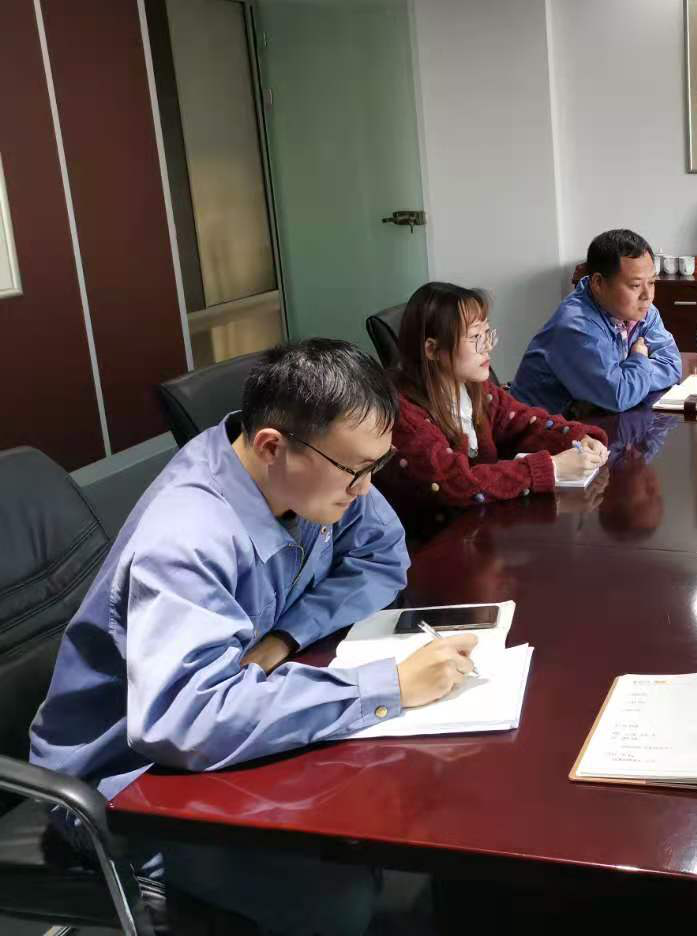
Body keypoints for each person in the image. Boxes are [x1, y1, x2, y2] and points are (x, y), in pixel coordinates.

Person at [29, 339, 480, 936]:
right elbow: (184, 718)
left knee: (411, 808)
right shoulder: (187, 535)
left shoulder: (318, 472)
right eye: (357, 471)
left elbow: (384, 556)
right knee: (337, 895)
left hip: (220, 725)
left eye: (378, 465)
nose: (367, 488)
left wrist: (286, 637)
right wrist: (386, 687)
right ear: (271, 445)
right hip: (126, 787)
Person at [377, 282, 608, 531]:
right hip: (435, 543)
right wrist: (552, 467)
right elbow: (454, 483)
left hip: (480, 528)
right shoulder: (403, 413)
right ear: (432, 349)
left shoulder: (474, 387)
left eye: (487, 333)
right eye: (475, 338)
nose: (487, 346)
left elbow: (523, 421)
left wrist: (576, 438)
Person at [511, 229, 683, 414]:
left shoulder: (643, 311)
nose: (647, 295)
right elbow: (619, 395)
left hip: (590, 420)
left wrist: (627, 378)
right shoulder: (576, 327)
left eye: (652, 282)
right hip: (537, 427)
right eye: (635, 285)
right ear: (598, 283)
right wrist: (639, 357)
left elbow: (672, 365)